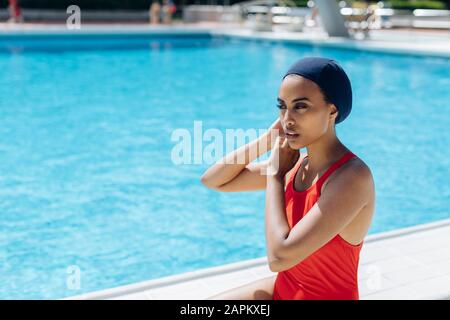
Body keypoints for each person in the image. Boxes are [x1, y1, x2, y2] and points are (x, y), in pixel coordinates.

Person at [201, 57, 375, 300]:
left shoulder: (352, 177)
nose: (288, 118)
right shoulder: (296, 167)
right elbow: (214, 180)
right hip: (284, 291)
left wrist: (275, 177)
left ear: (332, 110)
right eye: (282, 106)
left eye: (300, 106)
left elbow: (279, 257)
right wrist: (266, 140)